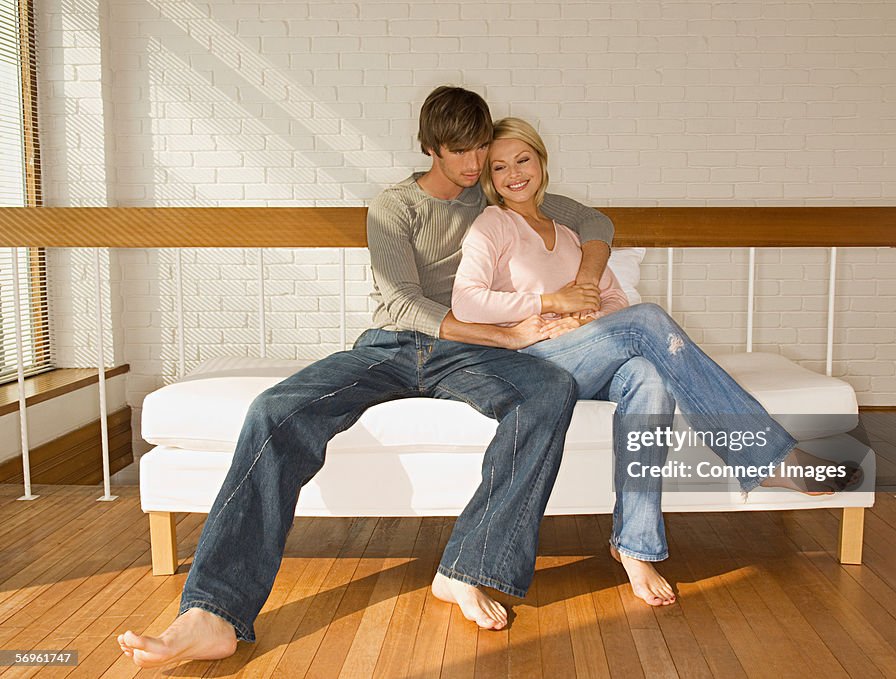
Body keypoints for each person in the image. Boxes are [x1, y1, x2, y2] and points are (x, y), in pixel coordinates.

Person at [117, 87, 619, 669]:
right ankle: (213, 614)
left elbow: (594, 219)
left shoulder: (501, 193)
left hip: (468, 356)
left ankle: (468, 568)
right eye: (460, 151)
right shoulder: (394, 207)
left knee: (549, 389)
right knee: (274, 410)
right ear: (430, 147)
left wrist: (583, 281)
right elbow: (403, 304)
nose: (476, 162)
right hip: (397, 346)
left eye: (482, 147)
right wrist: (508, 336)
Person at [452, 118, 862, 601]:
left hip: (585, 354)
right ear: (489, 178)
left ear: (542, 160)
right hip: (533, 359)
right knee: (648, 321)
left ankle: (635, 546)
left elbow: (614, 300)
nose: (514, 173)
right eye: (499, 167)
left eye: (522, 159)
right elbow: (468, 301)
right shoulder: (493, 224)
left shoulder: (569, 232)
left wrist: (588, 320)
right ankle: (766, 455)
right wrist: (550, 304)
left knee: (649, 376)